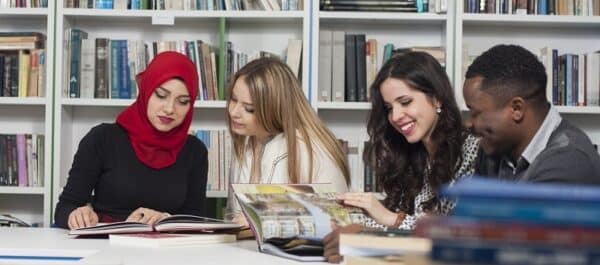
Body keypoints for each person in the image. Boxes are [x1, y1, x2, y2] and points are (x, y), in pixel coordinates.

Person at [323, 52, 480, 263]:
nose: (395, 117)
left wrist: (386, 219)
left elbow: (456, 238)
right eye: (389, 108)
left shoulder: (471, 151)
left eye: (405, 102)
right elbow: (406, 233)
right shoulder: (414, 154)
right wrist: (359, 227)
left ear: (437, 98)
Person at [54, 51, 208, 229]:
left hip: (166, 251)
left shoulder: (195, 151)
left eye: (182, 101)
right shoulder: (102, 139)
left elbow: (196, 220)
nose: (169, 109)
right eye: (161, 95)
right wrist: (76, 215)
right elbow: (64, 208)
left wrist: (165, 219)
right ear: (146, 91)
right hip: (106, 245)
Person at [224, 57, 350, 226]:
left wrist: (263, 221)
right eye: (233, 99)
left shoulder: (312, 150)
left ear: (274, 108)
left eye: (249, 108)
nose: (234, 112)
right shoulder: (246, 139)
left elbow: (335, 222)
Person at [463, 44, 600, 184]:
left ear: (517, 109)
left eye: (475, 112)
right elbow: (471, 205)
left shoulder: (570, 163)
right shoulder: (494, 148)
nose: (468, 123)